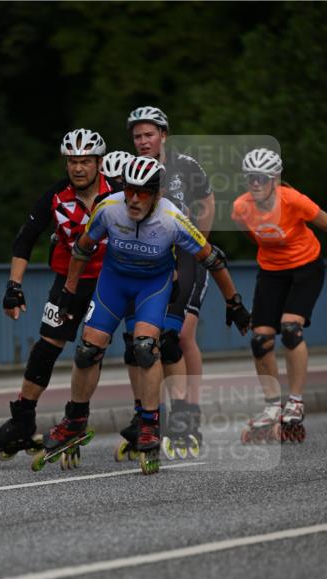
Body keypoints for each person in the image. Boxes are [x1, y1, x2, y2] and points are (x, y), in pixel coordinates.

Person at [39, 156, 250, 475]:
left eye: (143, 193)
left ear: (158, 193)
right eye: (130, 191)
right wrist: (69, 290)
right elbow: (83, 247)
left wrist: (234, 302)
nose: (134, 199)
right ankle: (75, 420)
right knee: (87, 350)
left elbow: (213, 261)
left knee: (145, 348)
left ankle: (150, 423)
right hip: (114, 282)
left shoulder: (172, 218)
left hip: (153, 285)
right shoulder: (109, 207)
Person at [0, 128, 112, 466]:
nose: (78, 168)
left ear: (99, 163)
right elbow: (25, 240)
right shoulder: (55, 196)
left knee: (92, 351)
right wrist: (13, 287)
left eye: (85, 162)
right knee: (46, 347)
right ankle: (22, 420)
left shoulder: (119, 194)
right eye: (72, 161)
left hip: (110, 283)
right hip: (68, 284)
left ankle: (85, 418)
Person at [232, 147, 327, 442]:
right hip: (272, 272)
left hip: (306, 268)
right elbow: (251, 235)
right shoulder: (241, 208)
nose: (256, 184)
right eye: (251, 179)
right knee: (260, 339)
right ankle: (273, 406)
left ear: (275, 178)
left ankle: (296, 400)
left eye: (262, 178)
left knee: (290, 328)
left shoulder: (294, 201)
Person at [126, 106, 215, 448]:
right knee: (148, 339)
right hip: (152, 262)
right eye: (138, 136)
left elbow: (207, 201)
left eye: (149, 134)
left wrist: (201, 246)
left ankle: (189, 409)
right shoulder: (133, 170)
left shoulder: (185, 165)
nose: (143, 141)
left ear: (164, 135)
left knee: (181, 335)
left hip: (188, 255)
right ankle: (149, 412)